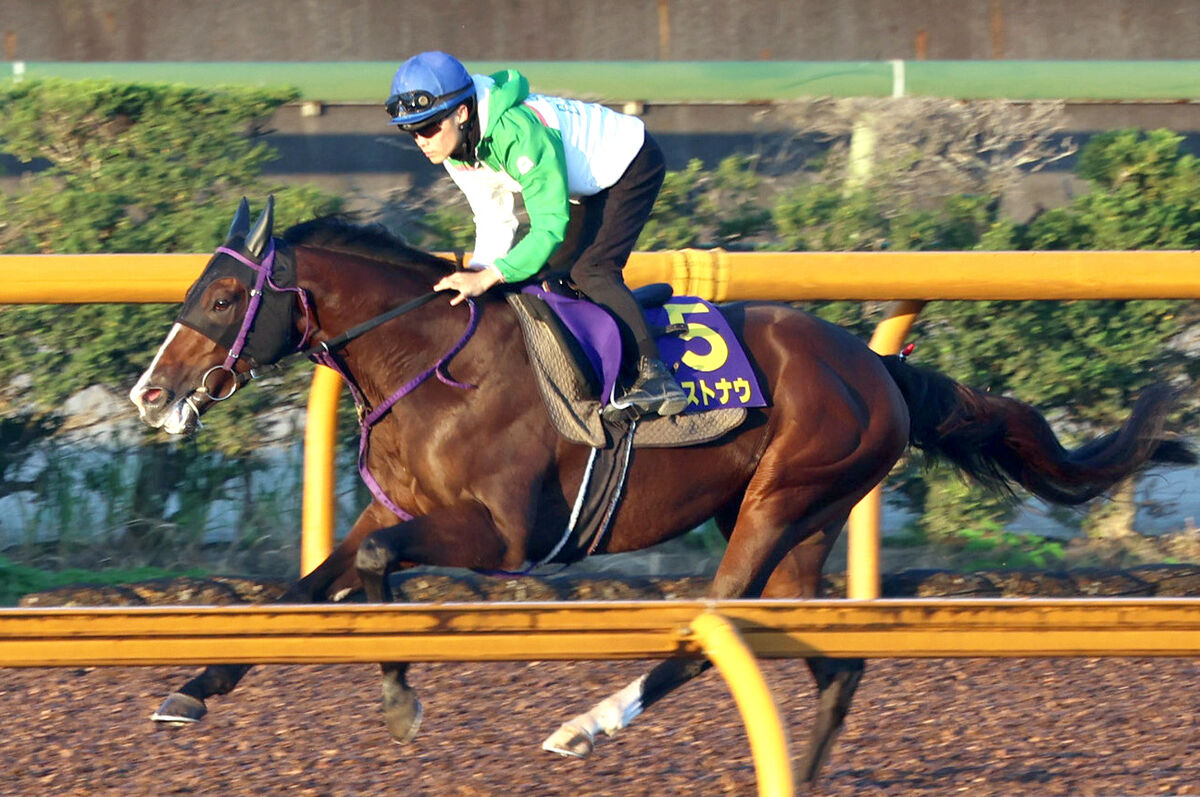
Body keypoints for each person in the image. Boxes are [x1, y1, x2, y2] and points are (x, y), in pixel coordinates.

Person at [385, 51, 688, 418]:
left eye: (430, 126)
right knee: (553, 278)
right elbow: (495, 220)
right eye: (413, 130)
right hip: (586, 185)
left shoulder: (517, 131)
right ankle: (612, 342)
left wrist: (489, 277)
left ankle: (656, 376)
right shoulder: (457, 148)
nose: (422, 140)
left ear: (461, 113)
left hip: (632, 163)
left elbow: (549, 227)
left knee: (592, 271)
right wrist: (477, 279)